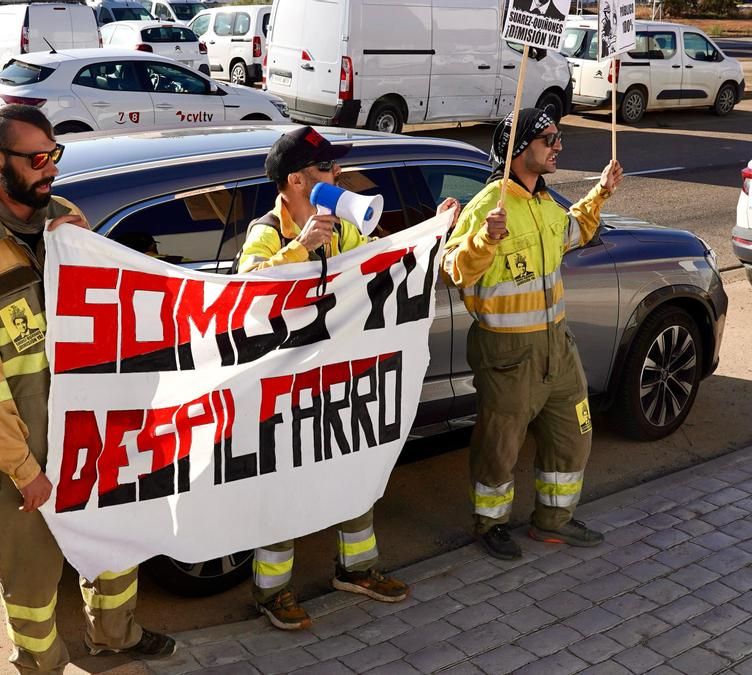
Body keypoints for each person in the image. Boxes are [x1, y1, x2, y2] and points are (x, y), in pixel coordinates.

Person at [0, 104, 175, 673]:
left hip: (91, 432)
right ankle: (40, 663)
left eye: (55, 156)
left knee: (114, 545)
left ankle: (116, 633)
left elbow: (106, 315)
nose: (52, 171)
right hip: (25, 449)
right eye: (38, 160)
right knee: (31, 576)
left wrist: (83, 251)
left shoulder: (64, 216)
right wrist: (24, 469)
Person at [236, 126, 459, 631]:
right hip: (286, 391)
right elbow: (246, 297)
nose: (339, 175)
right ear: (297, 181)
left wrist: (434, 231)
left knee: (354, 469)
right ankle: (272, 593)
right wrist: (299, 248)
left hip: (341, 380)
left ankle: (356, 568)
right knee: (285, 489)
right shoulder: (267, 232)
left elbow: (384, 256)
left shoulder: (342, 225)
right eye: (327, 169)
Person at [443, 108, 624, 561]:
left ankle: (553, 521)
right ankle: (490, 524)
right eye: (549, 138)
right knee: (499, 447)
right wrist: (484, 240)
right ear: (519, 148)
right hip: (507, 354)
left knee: (575, 431)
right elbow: (452, 271)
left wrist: (600, 193)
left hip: (557, 349)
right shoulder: (488, 207)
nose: (558, 146)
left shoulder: (545, 204)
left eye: (558, 137)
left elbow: (573, 231)